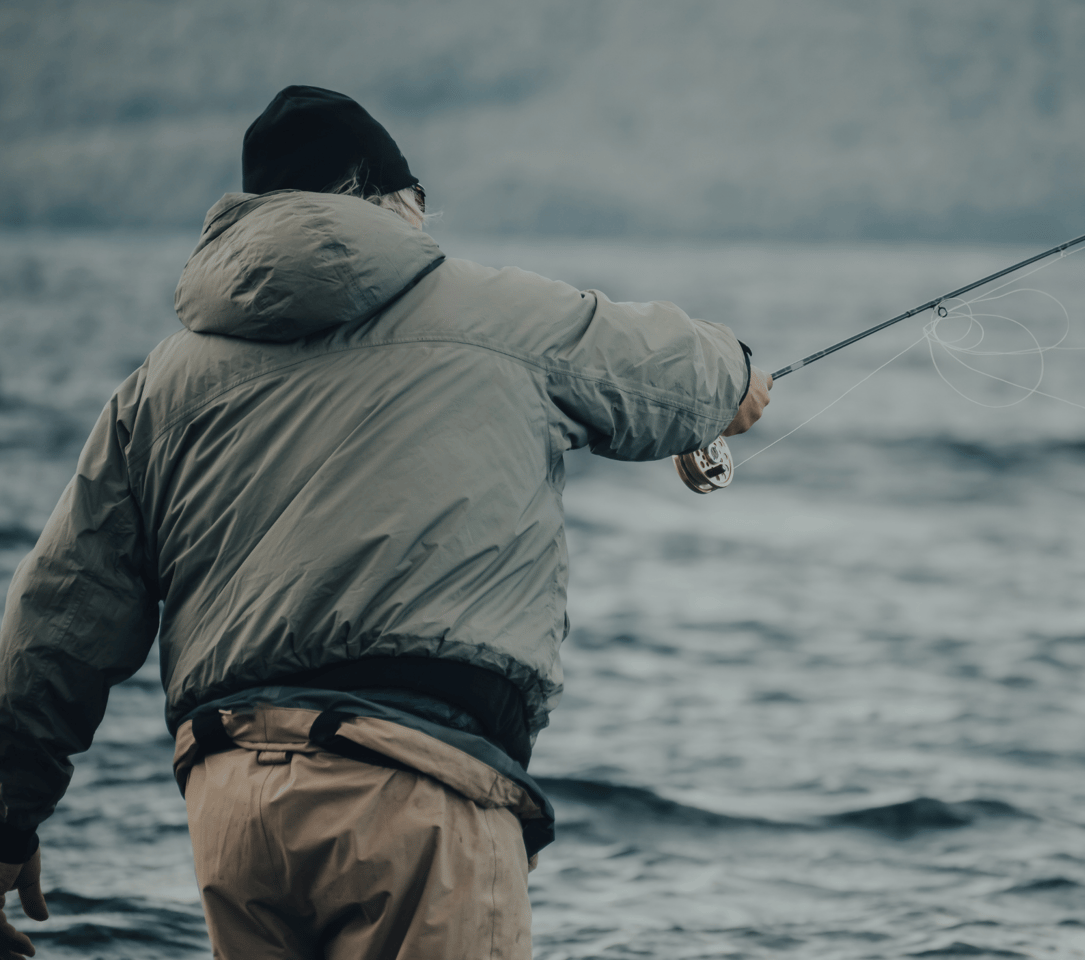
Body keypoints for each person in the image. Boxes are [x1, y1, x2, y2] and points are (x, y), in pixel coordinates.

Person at [0, 85, 771, 959]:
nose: (426, 222)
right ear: (381, 194)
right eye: (418, 202)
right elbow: (675, 373)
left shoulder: (156, 387)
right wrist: (737, 372)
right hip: (415, 788)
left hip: (230, 811)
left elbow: (54, 623)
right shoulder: (492, 311)